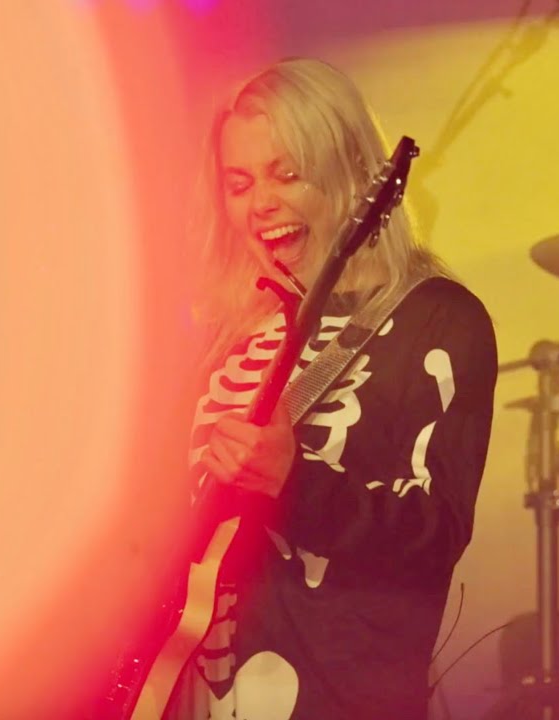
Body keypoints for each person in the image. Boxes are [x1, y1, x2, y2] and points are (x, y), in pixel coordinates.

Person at [174, 57, 497, 720]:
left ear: (351, 169)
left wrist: (296, 484)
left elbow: (437, 537)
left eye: (286, 173)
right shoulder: (230, 333)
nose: (261, 203)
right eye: (239, 183)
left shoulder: (438, 320)